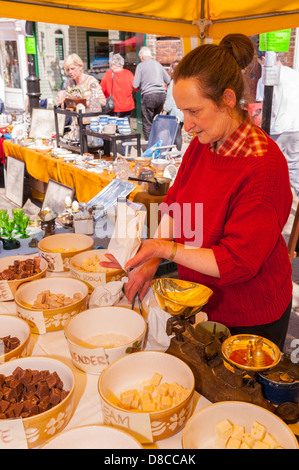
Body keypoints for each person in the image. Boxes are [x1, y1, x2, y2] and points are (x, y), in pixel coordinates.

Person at [102, 34, 293, 350]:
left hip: (251, 313)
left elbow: (237, 261)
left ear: (228, 100)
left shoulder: (262, 165)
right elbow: (177, 204)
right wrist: (150, 259)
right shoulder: (202, 146)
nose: (187, 125)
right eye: (182, 112)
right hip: (203, 300)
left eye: (194, 111)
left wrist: (164, 251)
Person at [256, 52, 299, 197]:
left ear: (265, 59)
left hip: (277, 129)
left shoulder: (265, 79)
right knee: (294, 167)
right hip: (296, 127)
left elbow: (263, 108)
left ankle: (271, 198)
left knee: (270, 166)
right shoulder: (295, 74)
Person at [133, 46, 170, 140]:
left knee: (147, 122)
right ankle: (158, 143)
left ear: (142, 57)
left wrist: (139, 88)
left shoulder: (141, 66)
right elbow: (168, 80)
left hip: (149, 95)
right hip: (161, 95)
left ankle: (150, 148)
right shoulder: (158, 64)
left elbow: (135, 85)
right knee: (156, 121)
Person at [100, 53, 135, 119]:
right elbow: (135, 88)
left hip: (113, 107)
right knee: (125, 127)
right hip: (127, 107)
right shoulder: (129, 74)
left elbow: (101, 90)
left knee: (113, 128)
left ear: (114, 64)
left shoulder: (108, 74)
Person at [162, 60, 184, 150]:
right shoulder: (184, 81)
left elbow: (170, 99)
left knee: (172, 134)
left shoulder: (173, 82)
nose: (170, 70)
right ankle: (178, 153)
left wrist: (164, 112)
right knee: (178, 134)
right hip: (181, 112)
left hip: (174, 113)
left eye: (171, 68)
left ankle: (172, 153)